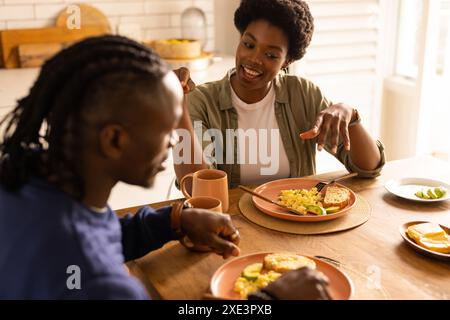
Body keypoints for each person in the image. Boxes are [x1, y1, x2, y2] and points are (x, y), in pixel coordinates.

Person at [0, 35, 240, 299]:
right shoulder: (104, 287)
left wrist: (173, 220)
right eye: (165, 129)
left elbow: (96, 235)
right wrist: (267, 300)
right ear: (114, 139)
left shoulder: (22, 178)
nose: (173, 140)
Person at [173, 0, 385, 188]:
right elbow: (195, 187)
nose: (254, 59)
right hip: (230, 228)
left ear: (287, 61)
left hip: (296, 226)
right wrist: (179, 108)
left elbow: (369, 168)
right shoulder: (201, 101)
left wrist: (352, 116)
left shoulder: (303, 95)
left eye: (271, 54)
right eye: (248, 44)